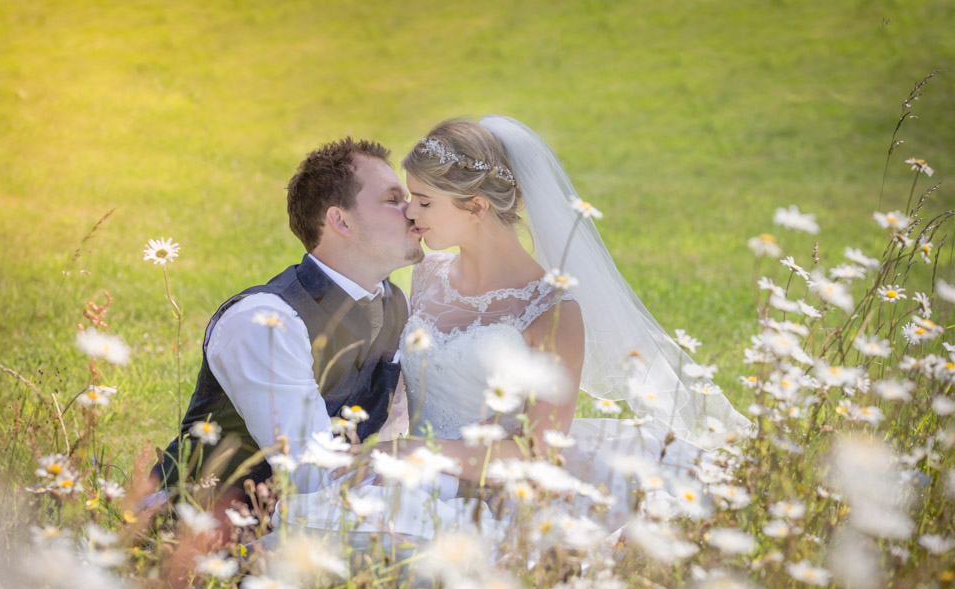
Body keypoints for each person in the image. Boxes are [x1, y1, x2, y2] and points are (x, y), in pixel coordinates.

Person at [272, 117, 751, 544]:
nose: (410, 215)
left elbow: (539, 454)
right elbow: (409, 386)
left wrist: (417, 452)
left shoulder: (551, 311)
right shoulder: (427, 276)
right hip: (411, 472)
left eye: (423, 200)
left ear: (476, 207)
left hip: (496, 490)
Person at [148, 137, 424, 508]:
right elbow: (308, 471)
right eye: (393, 200)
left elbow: (390, 430)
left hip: (325, 513)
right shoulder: (264, 321)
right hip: (203, 526)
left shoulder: (395, 305)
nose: (414, 212)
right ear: (340, 220)